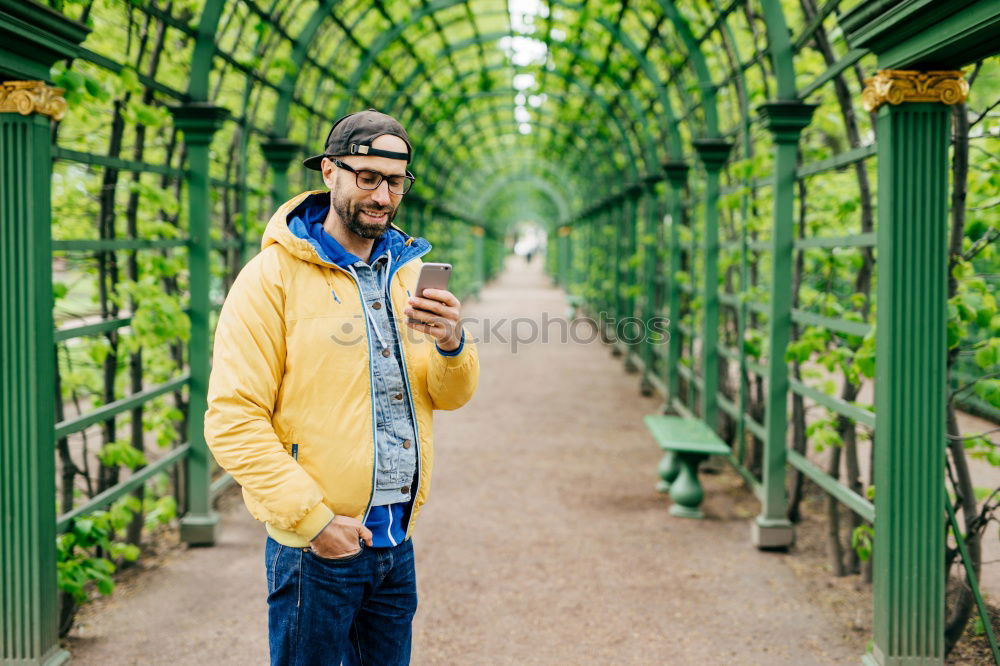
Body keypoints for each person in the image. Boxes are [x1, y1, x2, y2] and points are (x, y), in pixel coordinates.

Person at [204, 109, 480, 665]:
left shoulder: (405, 272)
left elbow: (447, 395)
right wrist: (316, 523)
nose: (383, 195)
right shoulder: (270, 279)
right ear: (329, 172)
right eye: (368, 177)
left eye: (396, 181)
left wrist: (452, 342)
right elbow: (233, 420)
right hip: (318, 546)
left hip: (394, 540)